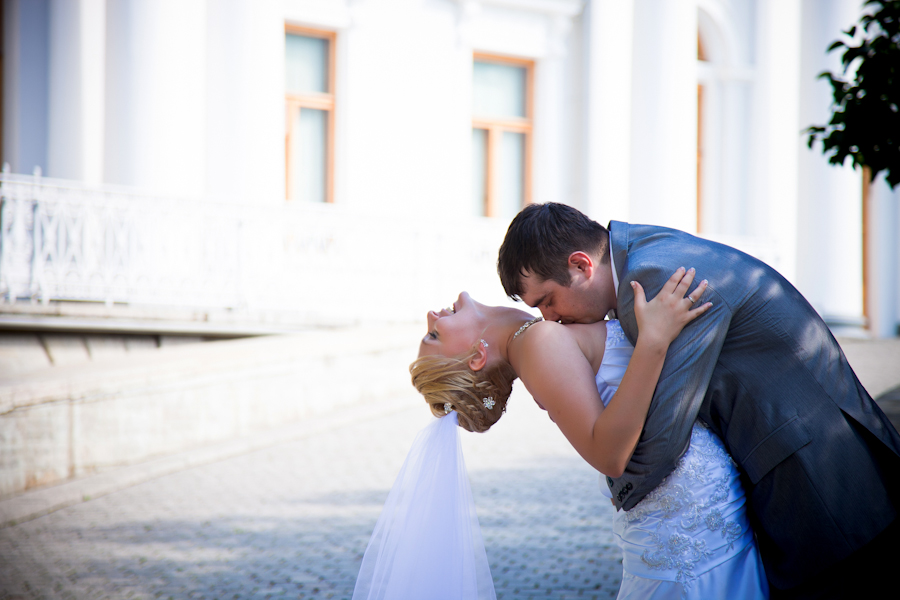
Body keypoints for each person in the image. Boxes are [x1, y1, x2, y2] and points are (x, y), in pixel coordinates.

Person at [496, 202, 900, 599]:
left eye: (547, 300)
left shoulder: (653, 281)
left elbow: (666, 428)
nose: (550, 319)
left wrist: (621, 494)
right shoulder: (641, 249)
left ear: (581, 265)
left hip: (818, 477)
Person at [411, 269, 769, 599]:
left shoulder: (536, 336)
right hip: (685, 526)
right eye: (434, 335)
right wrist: (653, 339)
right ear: (477, 357)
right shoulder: (536, 342)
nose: (432, 316)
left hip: (696, 511)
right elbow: (609, 455)